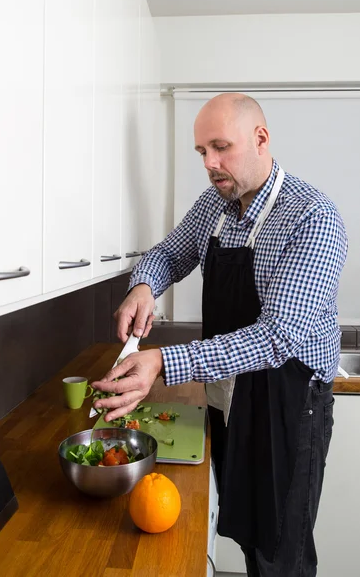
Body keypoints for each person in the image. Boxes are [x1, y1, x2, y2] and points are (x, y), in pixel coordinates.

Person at [91, 93, 348, 577]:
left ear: (261, 139)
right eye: (200, 152)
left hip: (290, 404)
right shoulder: (215, 204)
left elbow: (277, 338)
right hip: (229, 394)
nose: (209, 164)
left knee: (280, 553)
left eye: (220, 147)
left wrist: (163, 361)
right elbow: (169, 253)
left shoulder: (312, 218)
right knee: (245, 529)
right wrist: (144, 286)